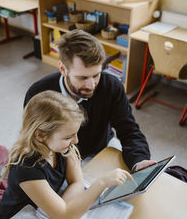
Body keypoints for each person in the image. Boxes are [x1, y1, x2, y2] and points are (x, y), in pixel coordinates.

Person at [0, 90, 132, 219]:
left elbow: (77, 183)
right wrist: (101, 184)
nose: (76, 140)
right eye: (68, 136)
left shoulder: (61, 147)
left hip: (46, 215)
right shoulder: (26, 167)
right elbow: (66, 215)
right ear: (40, 135)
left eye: (75, 133)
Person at [24, 29, 155, 172]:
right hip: (59, 157)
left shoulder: (111, 86)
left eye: (96, 75)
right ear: (63, 69)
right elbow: (36, 142)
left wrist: (139, 161)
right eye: (83, 78)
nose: (91, 85)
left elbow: (129, 130)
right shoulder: (38, 94)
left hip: (102, 147)